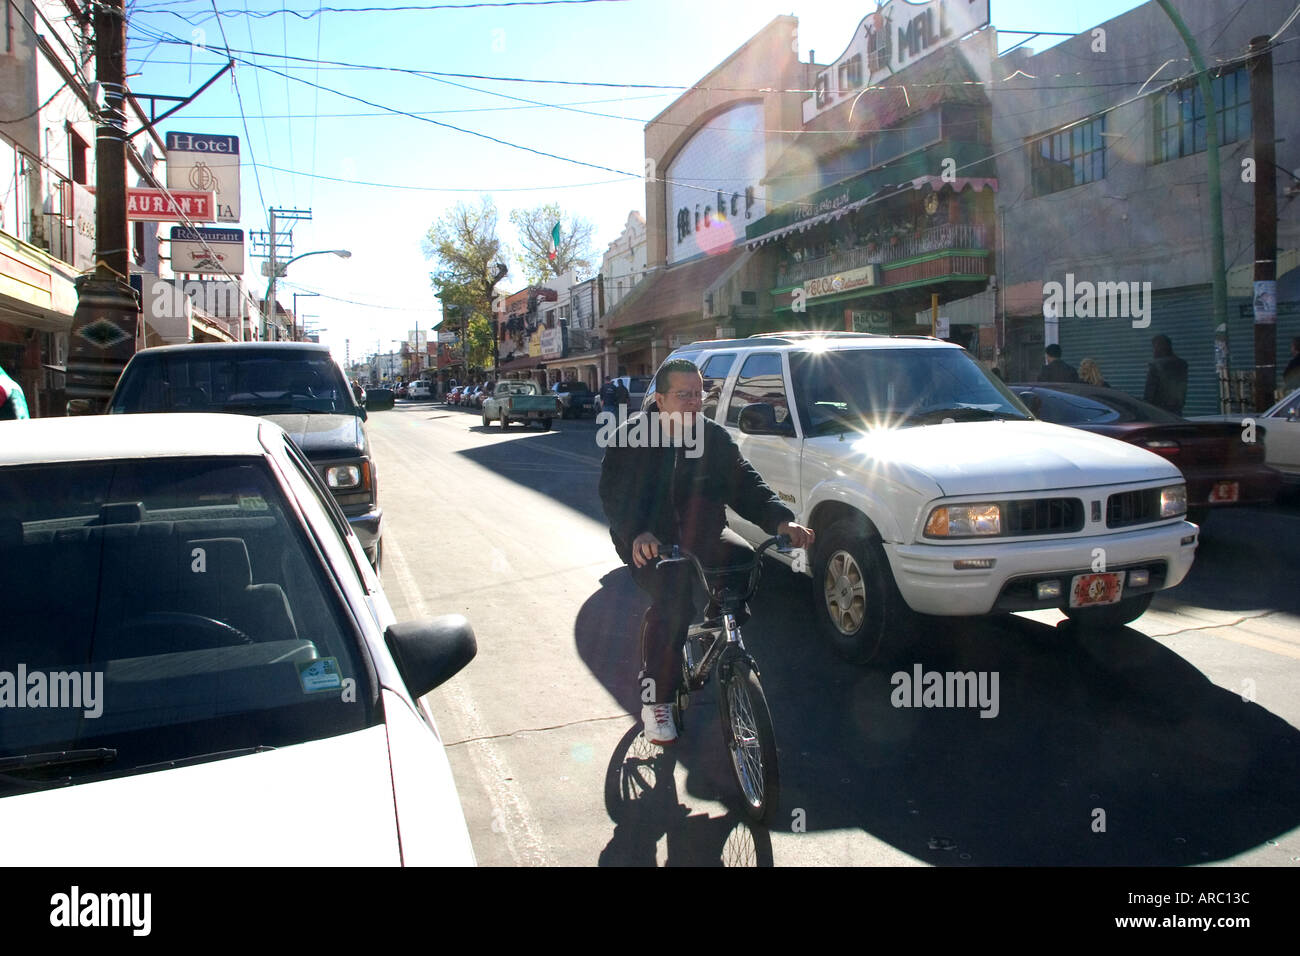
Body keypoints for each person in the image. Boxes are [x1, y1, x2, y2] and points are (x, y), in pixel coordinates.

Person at [599, 359, 814, 745]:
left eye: (699, 394)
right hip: (651, 541)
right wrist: (637, 533)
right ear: (660, 399)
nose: (694, 402)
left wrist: (782, 521)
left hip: (705, 534)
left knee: (745, 558)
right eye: (683, 395)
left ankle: (722, 620)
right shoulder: (630, 439)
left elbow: (746, 483)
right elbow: (615, 496)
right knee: (674, 606)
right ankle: (657, 699)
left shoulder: (713, 438)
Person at [1144, 333, 1189, 414]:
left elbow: (1150, 392)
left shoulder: (1155, 366)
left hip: (1158, 410)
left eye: (1154, 347)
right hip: (1176, 408)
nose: (1153, 350)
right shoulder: (1182, 364)